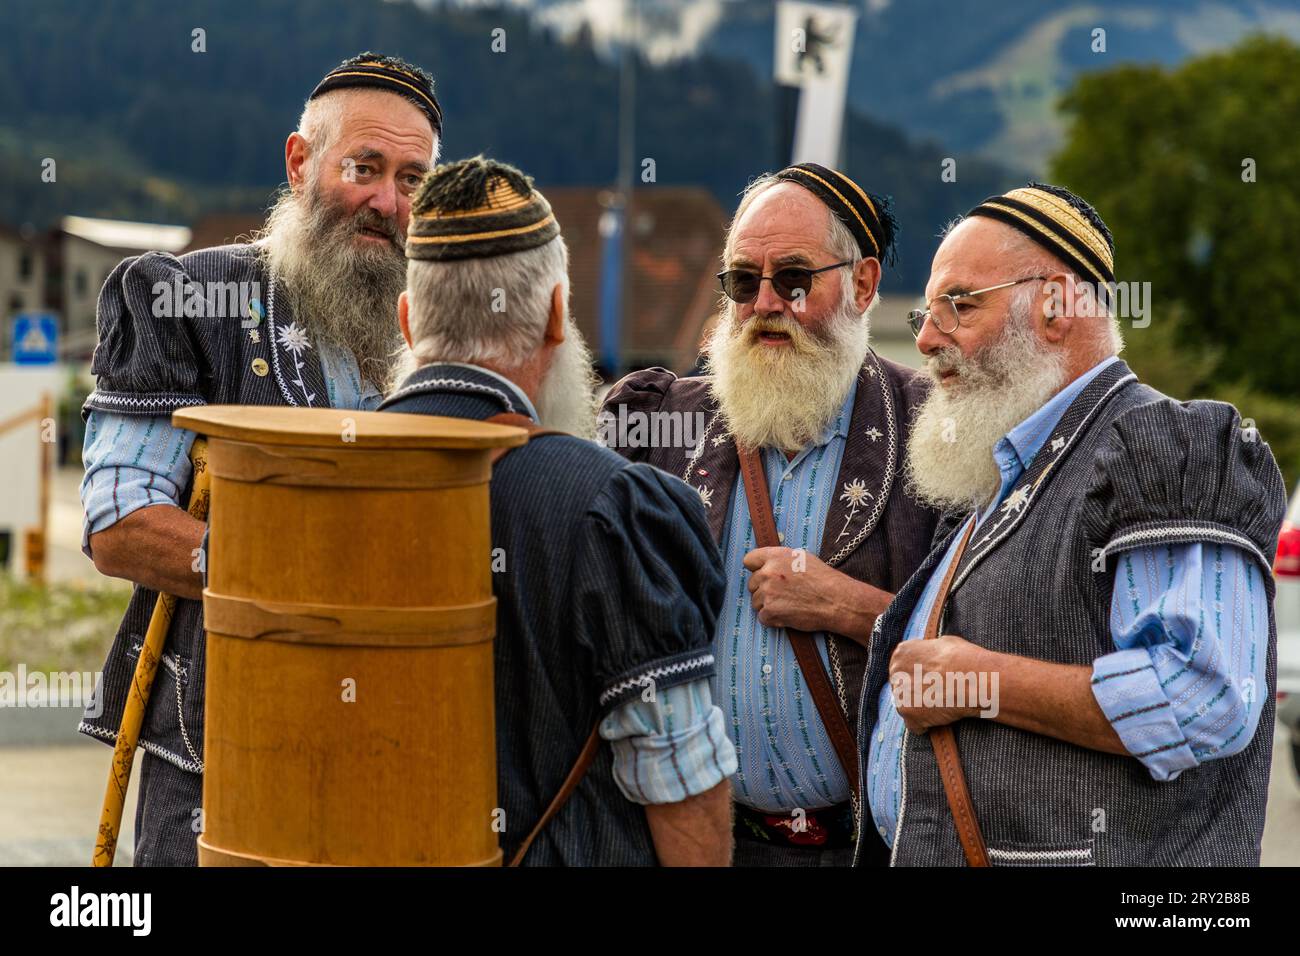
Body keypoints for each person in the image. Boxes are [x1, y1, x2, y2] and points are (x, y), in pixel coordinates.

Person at [79, 53, 443, 865]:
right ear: (300, 162)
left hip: (398, 760)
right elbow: (120, 525)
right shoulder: (184, 299)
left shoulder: (444, 338)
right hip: (221, 762)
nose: (387, 202)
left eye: (413, 180)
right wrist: (300, 572)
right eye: (365, 168)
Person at [861, 183, 1286, 866]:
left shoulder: (1164, 444)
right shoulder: (999, 472)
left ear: (1056, 305)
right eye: (925, 312)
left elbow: (1202, 697)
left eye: (959, 305)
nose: (927, 339)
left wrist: (979, 682)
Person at [381, 156, 736, 865]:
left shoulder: (317, 481)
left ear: (408, 317)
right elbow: (683, 794)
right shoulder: (616, 508)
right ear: (553, 316)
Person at [602, 164, 939, 866]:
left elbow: (993, 654)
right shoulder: (656, 422)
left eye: (792, 279)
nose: (763, 303)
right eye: (740, 281)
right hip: (698, 846)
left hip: (870, 848)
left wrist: (850, 607)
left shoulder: (938, 433)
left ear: (864, 283)